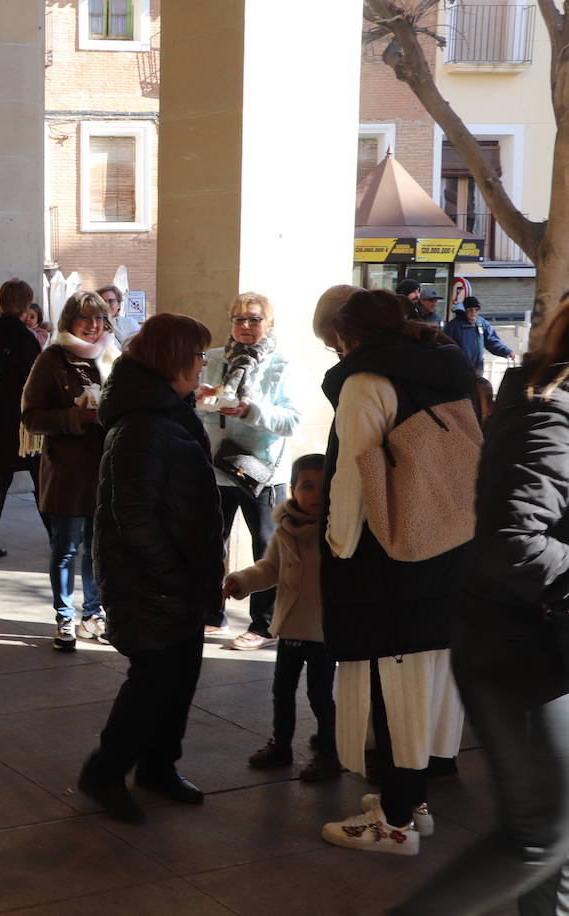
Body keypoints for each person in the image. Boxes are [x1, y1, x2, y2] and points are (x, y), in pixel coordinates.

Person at [390, 304, 569, 913]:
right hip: (516, 647)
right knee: (537, 837)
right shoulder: (548, 414)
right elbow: (513, 541)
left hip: (536, 639)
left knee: (555, 839)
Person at [312, 286, 470, 857]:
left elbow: (354, 478)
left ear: (346, 337)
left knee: (390, 677)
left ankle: (396, 824)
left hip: (386, 553)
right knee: (426, 679)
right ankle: (415, 804)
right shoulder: (448, 366)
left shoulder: (365, 383)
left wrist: (337, 546)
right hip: (449, 542)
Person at [76, 313, 221, 824]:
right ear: (173, 361)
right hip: (152, 579)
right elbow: (131, 513)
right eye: (198, 354)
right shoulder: (143, 423)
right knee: (153, 679)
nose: (204, 363)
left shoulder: (167, 411)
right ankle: (104, 772)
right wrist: (170, 573)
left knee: (180, 676)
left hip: (178, 576)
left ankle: (159, 766)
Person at [197, 291, 301, 650]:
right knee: (211, 544)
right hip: (217, 467)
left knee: (267, 549)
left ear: (268, 324)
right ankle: (213, 614)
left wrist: (249, 410)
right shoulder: (212, 359)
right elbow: (196, 410)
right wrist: (203, 401)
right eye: (239, 319)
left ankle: (264, 625)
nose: (245, 326)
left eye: (254, 320)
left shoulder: (280, 364)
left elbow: (291, 421)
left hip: (262, 472)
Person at [228, 454, 341, 782]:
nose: (317, 493)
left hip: (322, 630)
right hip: (290, 628)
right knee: (282, 690)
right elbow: (270, 568)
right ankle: (281, 745)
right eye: (307, 486)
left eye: (325, 486)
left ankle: (328, 752)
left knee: (320, 694)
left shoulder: (337, 532)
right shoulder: (285, 530)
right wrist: (242, 582)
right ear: (292, 490)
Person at [22, 291, 117, 650]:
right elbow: (31, 417)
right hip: (66, 470)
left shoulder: (113, 356)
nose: (94, 326)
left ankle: (93, 616)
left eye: (100, 319)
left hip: (104, 468)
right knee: (65, 547)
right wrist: (73, 417)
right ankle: (64, 616)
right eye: (85, 319)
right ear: (69, 322)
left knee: (98, 546)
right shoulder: (51, 361)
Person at [0, 278, 44, 560]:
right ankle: (58, 537)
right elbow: (37, 378)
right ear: (23, 303)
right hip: (22, 420)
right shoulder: (24, 337)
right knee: (41, 477)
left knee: (1, 480)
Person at [442, 296, 515, 376]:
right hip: (460, 370)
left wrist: (506, 351)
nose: (473, 313)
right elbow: (446, 348)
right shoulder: (454, 326)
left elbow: (492, 341)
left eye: (476, 310)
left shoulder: (482, 323)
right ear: (464, 311)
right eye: (470, 310)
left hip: (478, 369)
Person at [98, 284, 142, 349]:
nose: (106, 305)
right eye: (103, 302)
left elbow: (140, 344)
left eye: (111, 301)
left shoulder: (130, 322)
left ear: (118, 304)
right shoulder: (95, 325)